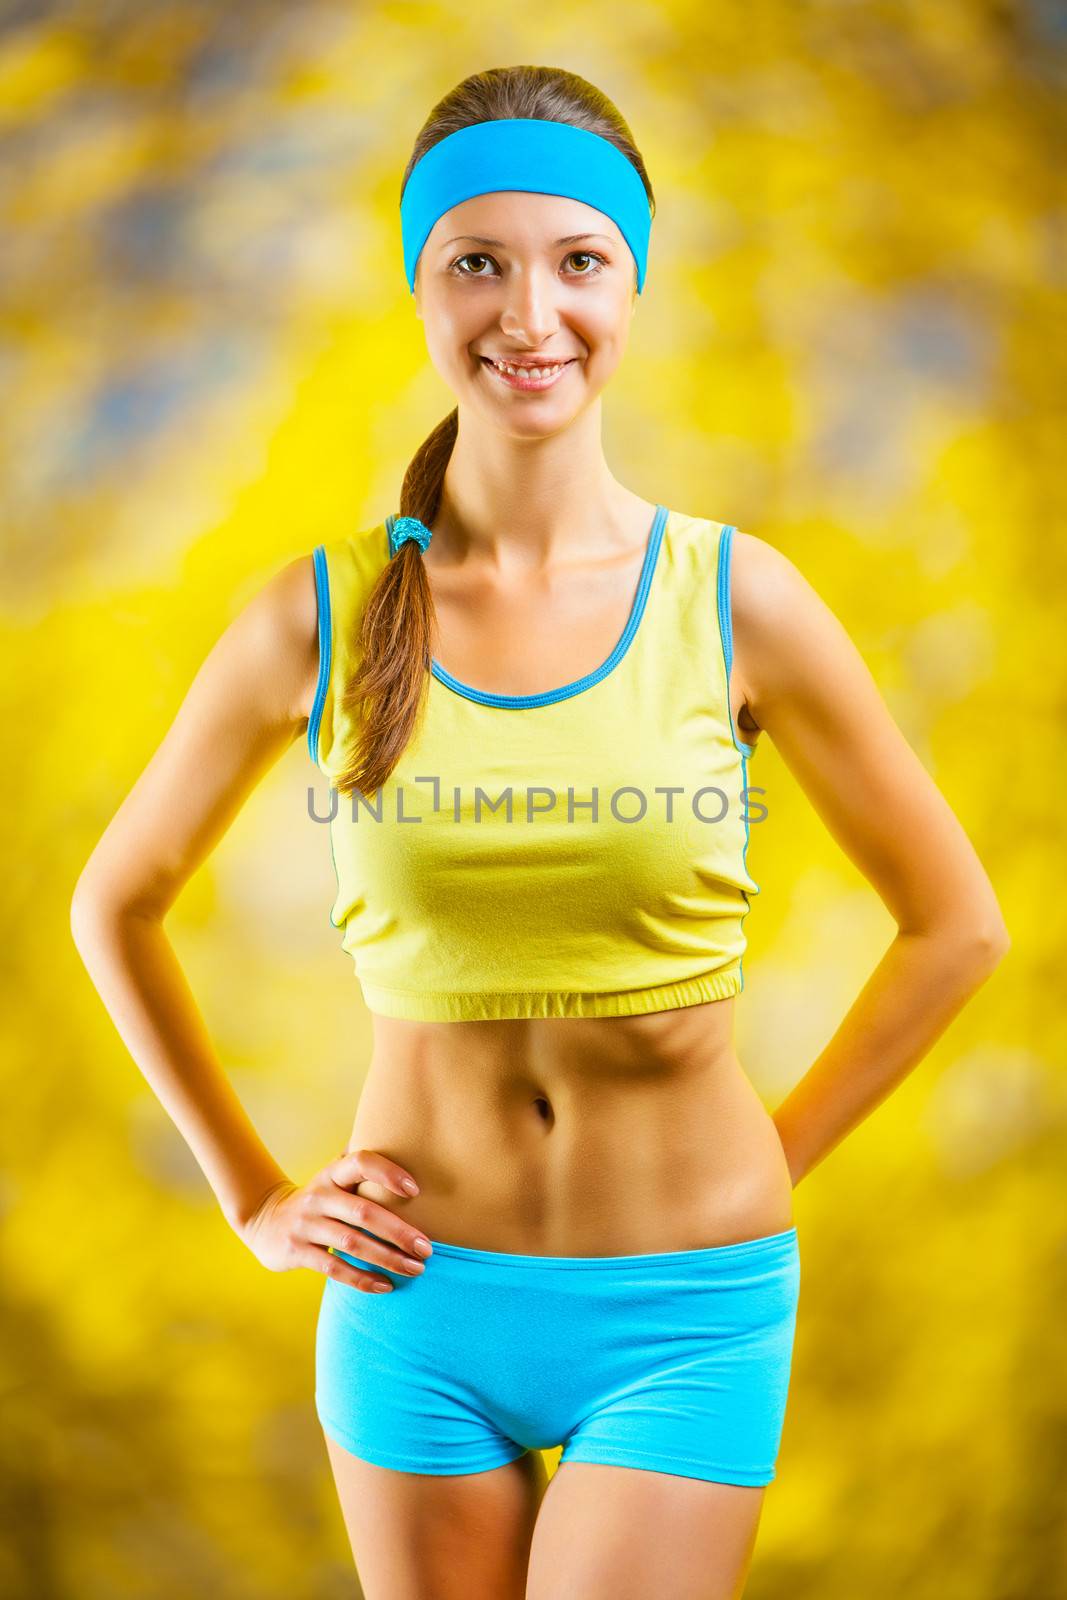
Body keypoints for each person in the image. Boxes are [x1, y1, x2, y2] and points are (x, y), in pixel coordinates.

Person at [70, 64, 1010, 1600]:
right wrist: (253, 1196)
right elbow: (116, 901)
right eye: (478, 264)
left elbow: (958, 924)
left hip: (683, 1312)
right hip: (417, 1312)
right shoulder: (321, 616)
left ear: (633, 283)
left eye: (577, 261)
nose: (530, 314)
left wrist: (774, 1160)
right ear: (422, 291)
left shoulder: (734, 598)